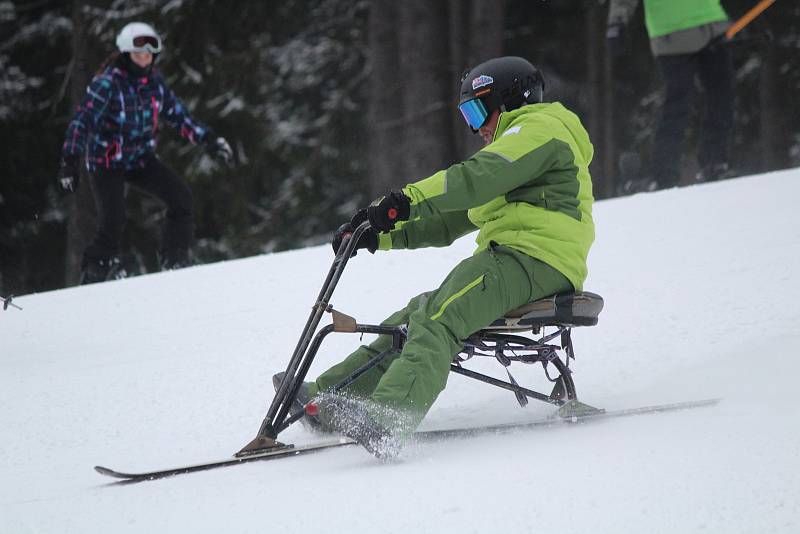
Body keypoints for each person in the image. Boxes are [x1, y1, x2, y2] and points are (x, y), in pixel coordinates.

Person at [278, 56, 596, 459]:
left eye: (478, 110)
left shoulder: (538, 130)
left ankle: (390, 416)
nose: (475, 126)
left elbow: (472, 180)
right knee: (416, 316)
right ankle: (325, 401)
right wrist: (379, 235)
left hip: (535, 259)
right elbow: (449, 221)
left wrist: (404, 200)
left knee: (438, 316)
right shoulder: (516, 154)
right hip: (520, 260)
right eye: (467, 114)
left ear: (512, 100)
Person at [57, 21, 233, 284]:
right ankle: (96, 269)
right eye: (139, 54)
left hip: (140, 159)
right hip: (107, 160)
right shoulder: (108, 84)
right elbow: (82, 121)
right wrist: (70, 160)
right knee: (114, 218)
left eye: (149, 55)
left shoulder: (154, 84)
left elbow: (178, 116)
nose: (144, 60)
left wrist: (209, 140)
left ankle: (175, 259)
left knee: (181, 198)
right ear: (126, 55)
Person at [607, 0, 734, 192]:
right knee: (679, 104)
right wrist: (617, 21)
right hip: (671, 33)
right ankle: (664, 175)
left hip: (711, 24)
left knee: (721, 96)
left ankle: (714, 164)